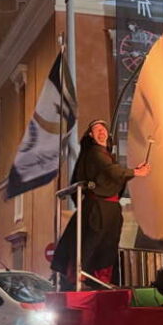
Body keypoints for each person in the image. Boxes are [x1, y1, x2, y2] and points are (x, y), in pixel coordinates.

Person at [50, 120, 152, 287]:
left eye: (103, 129)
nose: (101, 132)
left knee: (108, 245)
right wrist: (136, 172)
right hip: (98, 207)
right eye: (96, 129)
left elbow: (113, 175)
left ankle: (100, 279)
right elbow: (110, 171)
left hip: (110, 207)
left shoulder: (105, 154)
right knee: (93, 242)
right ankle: (83, 276)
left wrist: (133, 172)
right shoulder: (95, 153)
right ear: (91, 135)